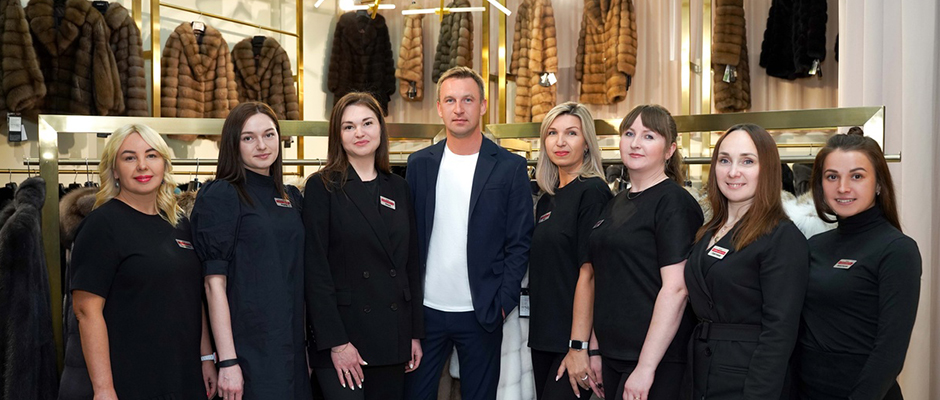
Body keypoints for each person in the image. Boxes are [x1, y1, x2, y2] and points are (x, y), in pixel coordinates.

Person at [402, 66, 534, 400]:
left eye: (468, 100)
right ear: (439, 108)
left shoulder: (510, 167)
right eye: (450, 100)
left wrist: (503, 303)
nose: (459, 108)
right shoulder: (419, 164)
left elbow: (519, 242)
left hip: (482, 312)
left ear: (483, 105)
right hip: (426, 312)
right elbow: (409, 237)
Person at [59, 124, 216, 399]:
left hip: (185, 376)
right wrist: (103, 389)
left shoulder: (180, 223)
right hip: (130, 379)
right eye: (129, 157)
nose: (142, 165)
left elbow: (192, 297)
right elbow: (86, 312)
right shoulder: (101, 226)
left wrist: (206, 357)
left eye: (151, 155)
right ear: (114, 170)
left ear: (164, 164)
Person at [304, 92, 424, 400]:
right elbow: (315, 272)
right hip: (344, 339)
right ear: (338, 135)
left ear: (380, 128)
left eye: (367, 123)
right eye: (349, 126)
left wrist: (414, 334)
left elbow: (410, 265)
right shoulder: (322, 186)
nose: (359, 132)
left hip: (393, 336)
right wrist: (337, 343)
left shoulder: (399, 187)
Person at [581, 104, 703, 400]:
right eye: (629, 133)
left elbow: (676, 290)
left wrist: (646, 367)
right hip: (612, 355)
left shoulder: (674, 203)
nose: (635, 143)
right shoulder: (615, 202)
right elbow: (605, 279)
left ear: (670, 149)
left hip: (657, 360)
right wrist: (595, 349)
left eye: (649, 136)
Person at [191, 102, 311, 400]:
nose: (262, 145)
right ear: (233, 143)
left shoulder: (290, 196)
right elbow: (213, 284)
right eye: (249, 137)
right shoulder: (222, 194)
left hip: (292, 348)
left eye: (269, 134)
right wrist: (227, 361)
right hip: (248, 351)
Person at [685, 123, 808, 399]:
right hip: (700, 374)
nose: (733, 172)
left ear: (768, 169)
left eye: (747, 161)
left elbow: (780, 333)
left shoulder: (782, 237)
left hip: (747, 379)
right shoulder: (708, 231)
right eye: (724, 160)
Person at [797, 129, 921, 400]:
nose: (843, 187)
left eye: (857, 176)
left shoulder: (897, 250)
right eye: (832, 176)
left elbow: (889, 352)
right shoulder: (813, 245)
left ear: (878, 184)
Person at [527, 102, 612, 400]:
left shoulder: (593, 192)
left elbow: (590, 274)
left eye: (571, 133)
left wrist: (579, 346)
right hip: (543, 337)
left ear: (587, 142)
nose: (560, 142)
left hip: (572, 341)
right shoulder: (547, 198)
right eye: (552, 133)